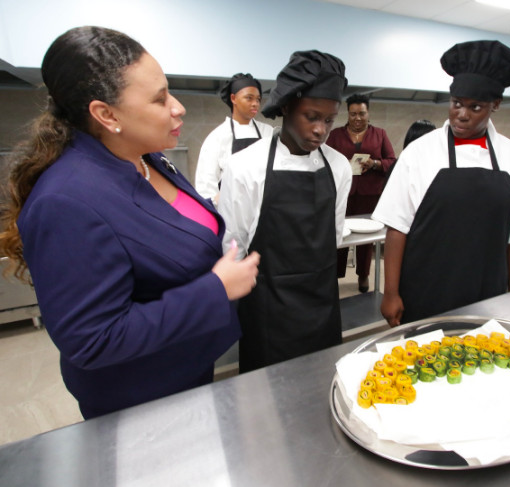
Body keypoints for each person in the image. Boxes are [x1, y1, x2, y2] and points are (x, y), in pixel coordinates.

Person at [0, 27, 259, 419]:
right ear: (106, 114)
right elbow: (93, 340)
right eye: (159, 99)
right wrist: (215, 289)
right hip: (138, 397)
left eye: (169, 91)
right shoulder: (67, 201)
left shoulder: (145, 158)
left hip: (186, 366)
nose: (178, 107)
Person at [373, 40, 510, 326]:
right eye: (456, 104)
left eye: (475, 107)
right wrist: (391, 292)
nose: (461, 114)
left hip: (488, 292)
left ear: (496, 105)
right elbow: (397, 228)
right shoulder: (420, 152)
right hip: (424, 290)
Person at [218, 50, 352, 372]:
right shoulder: (245, 166)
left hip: (322, 303)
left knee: (322, 386)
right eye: (312, 116)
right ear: (288, 105)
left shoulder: (338, 166)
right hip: (268, 310)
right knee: (266, 402)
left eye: (330, 120)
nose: (321, 130)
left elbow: (333, 237)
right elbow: (232, 245)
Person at [326, 94, 396, 292]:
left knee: (367, 234)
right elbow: (325, 160)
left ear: (368, 113)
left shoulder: (380, 134)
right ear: (347, 114)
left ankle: (363, 275)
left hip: (370, 194)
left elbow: (391, 160)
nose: (357, 118)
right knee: (341, 233)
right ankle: (336, 275)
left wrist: (375, 163)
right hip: (343, 193)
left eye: (362, 114)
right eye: (353, 114)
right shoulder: (335, 135)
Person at [195, 73, 274, 202]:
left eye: (258, 99)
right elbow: (206, 185)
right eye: (249, 98)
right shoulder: (217, 137)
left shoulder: (268, 132)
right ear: (233, 98)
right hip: (232, 211)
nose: (255, 104)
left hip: (265, 207)